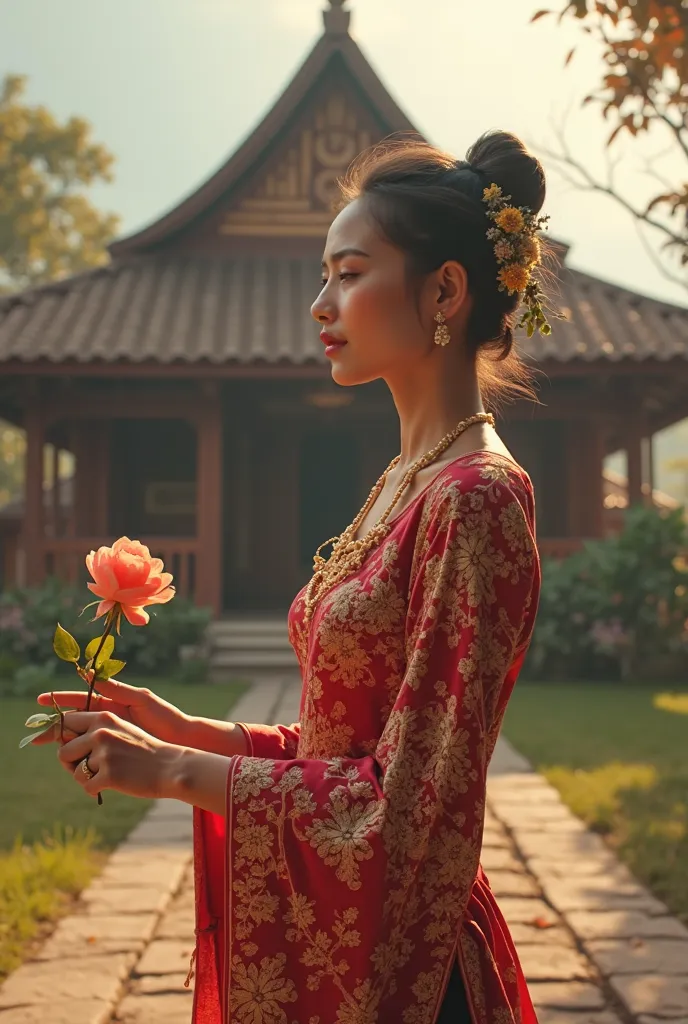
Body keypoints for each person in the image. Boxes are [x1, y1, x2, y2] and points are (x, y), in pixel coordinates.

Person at [38, 129, 550, 1024]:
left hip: (410, 977)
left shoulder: (474, 500)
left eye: (349, 273)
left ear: (445, 289)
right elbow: (349, 747)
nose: (319, 303)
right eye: (324, 274)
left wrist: (176, 772)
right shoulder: (407, 479)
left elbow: (411, 802)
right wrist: (196, 729)